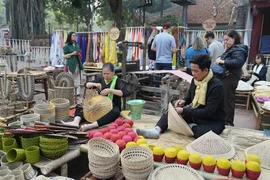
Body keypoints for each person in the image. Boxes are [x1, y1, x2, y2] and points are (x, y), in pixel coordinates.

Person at [136, 54, 225, 139]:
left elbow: (209, 111)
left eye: (196, 71)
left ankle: (190, 127)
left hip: (213, 120)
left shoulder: (216, 86)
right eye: (192, 70)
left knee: (200, 132)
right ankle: (156, 130)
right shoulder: (196, 80)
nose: (193, 73)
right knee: (171, 111)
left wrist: (184, 111)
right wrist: (184, 101)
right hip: (197, 116)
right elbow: (190, 96)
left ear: (205, 70)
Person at [62, 62, 129, 131]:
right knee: (81, 105)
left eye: (108, 74)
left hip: (113, 106)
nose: (105, 76)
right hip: (99, 105)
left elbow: (125, 93)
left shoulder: (118, 81)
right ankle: (75, 123)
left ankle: (92, 125)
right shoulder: (100, 80)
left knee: (115, 112)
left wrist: (110, 90)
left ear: (113, 72)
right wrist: (95, 84)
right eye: (104, 74)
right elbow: (87, 85)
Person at [215, 30, 248, 126]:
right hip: (227, 76)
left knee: (227, 100)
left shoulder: (239, 49)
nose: (225, 42)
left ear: (234, 38)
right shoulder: (234, 48)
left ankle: (227, 122)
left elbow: (238, 62)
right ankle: (225, 120)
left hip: (230, 77)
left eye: (227, 39)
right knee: (225, 99)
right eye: (224, 40)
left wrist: (222, 61)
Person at [63, 32, 84, 96]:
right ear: (70, 36)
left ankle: (77, 92)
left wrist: (78, 53)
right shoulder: (66, 46)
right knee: (71, 78)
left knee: (77, 78)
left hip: (77, 63)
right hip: (71, 63)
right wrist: (72, 53)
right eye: (73, 36)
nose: (75, 37)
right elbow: (65, 56)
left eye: (75, 36)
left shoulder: (76, 45)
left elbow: (78, 53)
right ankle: (71, 92)